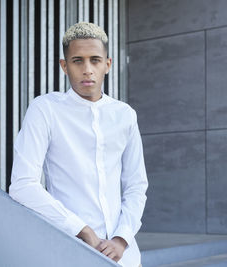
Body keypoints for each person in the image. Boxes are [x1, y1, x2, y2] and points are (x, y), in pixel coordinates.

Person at [9, 22, 148, 267]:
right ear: (64, 66)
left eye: (95, 60)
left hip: (125, 258)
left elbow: (136, 185)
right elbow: (23, 185)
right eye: (77, 61)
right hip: (69, 252)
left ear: (108, 64)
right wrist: (82, 230)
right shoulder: (45, 109)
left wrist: (121, 238)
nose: (87, 69)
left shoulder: (125, 114)